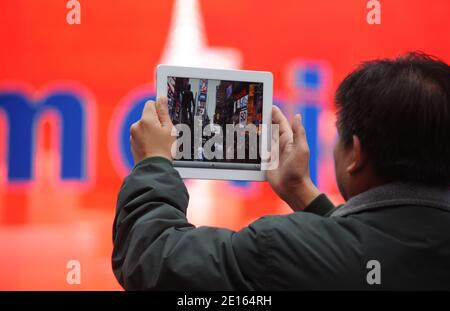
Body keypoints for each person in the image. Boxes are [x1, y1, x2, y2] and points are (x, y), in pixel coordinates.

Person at [112, 52, 450, 290]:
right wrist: (304, 193)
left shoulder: (280, 248)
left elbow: (153, 261)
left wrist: (153, 164)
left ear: (355, 153)